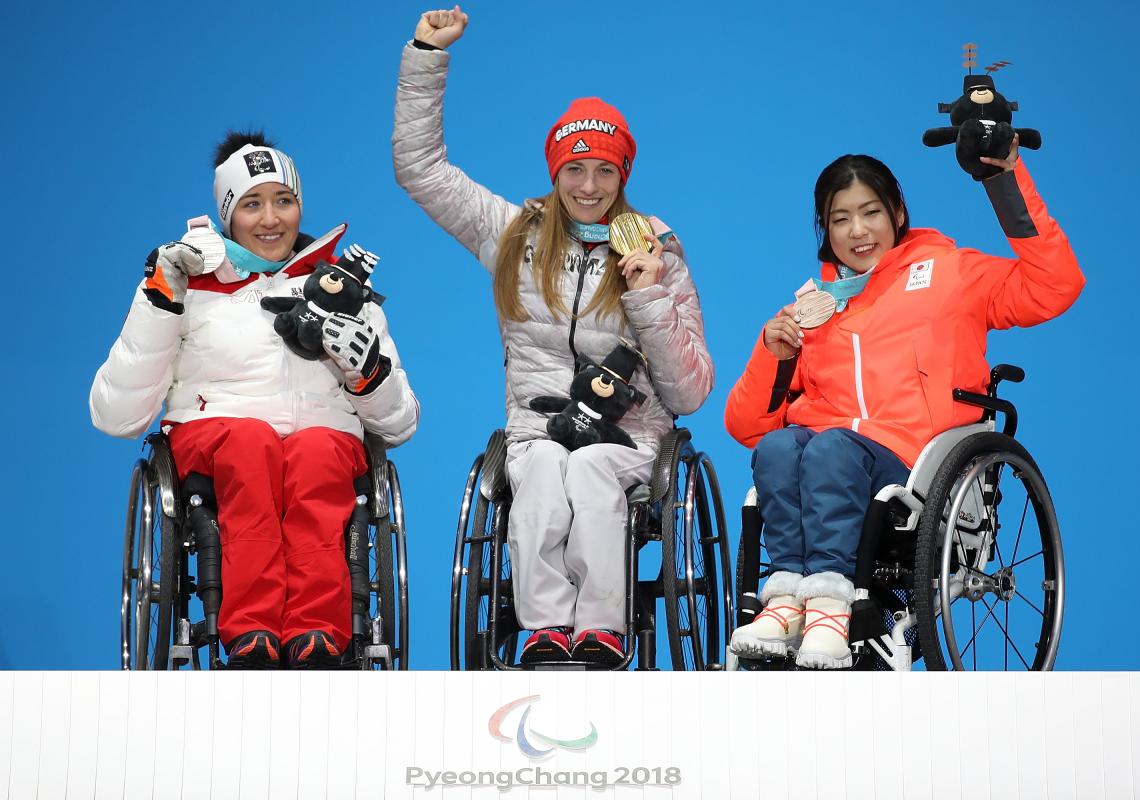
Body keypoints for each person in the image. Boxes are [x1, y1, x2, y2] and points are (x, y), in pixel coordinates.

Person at [392, 7, 712, 666]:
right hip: (538, 427)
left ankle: (601, 629)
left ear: (624, 176)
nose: (588, 186)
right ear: (554, 171)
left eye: (604, 171)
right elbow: (421, 170)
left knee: (591, 468)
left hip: (630, 437)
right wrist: (427, 54)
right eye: (575, 170)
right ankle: (542, 629)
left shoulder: (659, 248)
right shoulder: (513, 235)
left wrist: (648, 290)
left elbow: (689, 393)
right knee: (540, 466)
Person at [724, 140, 1084, 669]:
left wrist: (1003, 181)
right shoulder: (811, 311)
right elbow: (748, 427)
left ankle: (829, 609)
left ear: (897, 212)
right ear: (825, 230)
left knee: (830, 452)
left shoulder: (950, 273)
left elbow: (1055, 285)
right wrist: (771, 352)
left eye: (870, 212)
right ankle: (783, 604)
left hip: (913, 465)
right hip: (835, 456)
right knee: (779, 449)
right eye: (840, 218)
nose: (858, 231)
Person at [90, 131, 419, 669]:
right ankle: (253, 632)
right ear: (227, 215)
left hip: (321, 436)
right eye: (252, 204)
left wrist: (367, 373)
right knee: (251, 442)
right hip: (218, 432)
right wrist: (161, 296)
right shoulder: (186, 283)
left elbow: (400, 423)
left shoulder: (342, 292)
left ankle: (317, 632)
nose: (271, 219)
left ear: (300, 206)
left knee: (314, 455)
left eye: (283, 201)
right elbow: (115, 414)